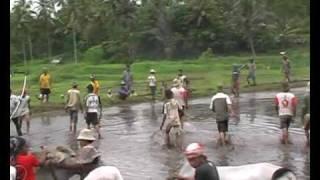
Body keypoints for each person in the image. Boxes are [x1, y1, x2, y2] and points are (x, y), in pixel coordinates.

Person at [301, 81, 310, 146]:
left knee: (306, 129)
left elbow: (303, 108)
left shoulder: (305, 96)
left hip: (308, 115)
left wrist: (302, 119)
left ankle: (308, 140)